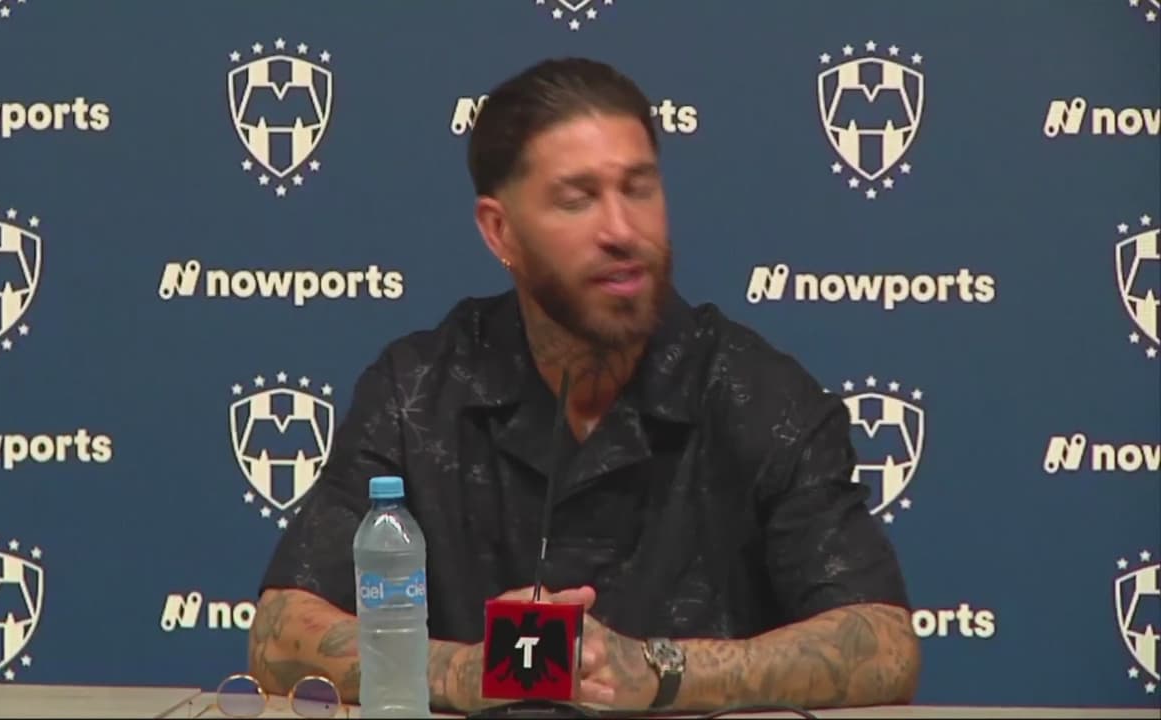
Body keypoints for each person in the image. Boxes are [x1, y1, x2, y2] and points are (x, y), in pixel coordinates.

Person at [247, 56, 921, 713]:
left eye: (639, 188)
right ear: (500, 231)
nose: (622, 231)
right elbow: (278, 633)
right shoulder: (418, 391)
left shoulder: (759, 395)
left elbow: (884, 645)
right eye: (577, 200)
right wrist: (458, 671)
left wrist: (660, 671)